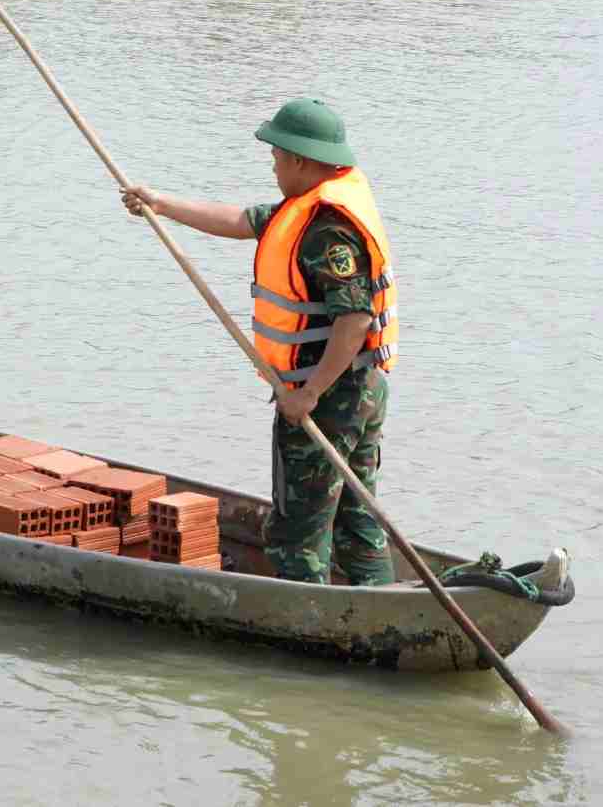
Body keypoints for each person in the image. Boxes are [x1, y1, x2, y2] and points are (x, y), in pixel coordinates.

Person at [121, 98, 398, 586]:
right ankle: (377, 598)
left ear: (299, 160)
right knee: (357, 520)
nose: (272, 167)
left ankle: (307, 619)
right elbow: (238, 220)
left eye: (275, 157)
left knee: (299, 530)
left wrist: (308, 393)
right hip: (359, 389)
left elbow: (354, 321)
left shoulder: (327, 230)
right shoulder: (305, 209)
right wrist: (159, 204)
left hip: (329, 395)